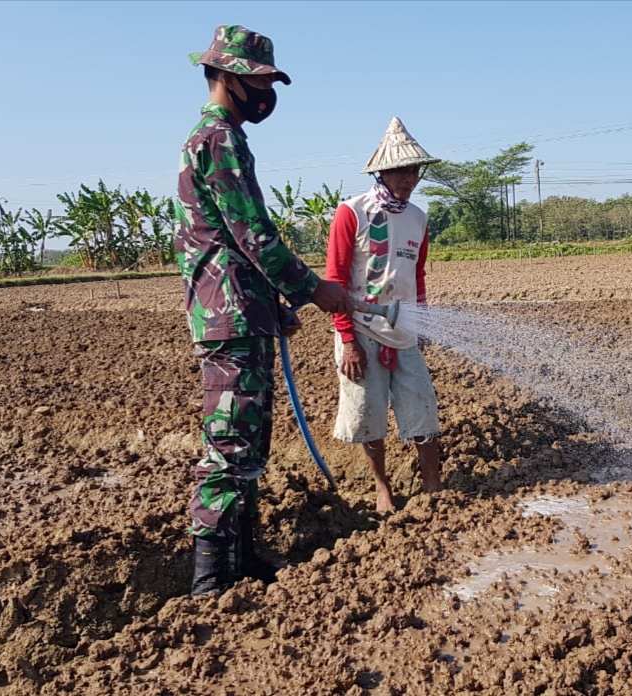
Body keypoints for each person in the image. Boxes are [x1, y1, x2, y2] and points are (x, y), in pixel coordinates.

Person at [175, 24, 353, 597]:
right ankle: (211, 581)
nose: (265, 93)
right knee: (229, 445)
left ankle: (242, 557)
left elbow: (233, 241)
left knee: (248, 440)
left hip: (241, 309)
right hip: (228, 312)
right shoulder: (218, 138)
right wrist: (311, 288)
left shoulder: (223, 137)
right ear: (227, 76)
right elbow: (251, 232)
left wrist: (272, 303)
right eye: (257, 80)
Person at [325, 117, 445, 514]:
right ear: (383, 171)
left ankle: (433, 487)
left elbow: (418, 275)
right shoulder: (352, 212)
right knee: (369, 414)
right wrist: (347, 340)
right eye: (401, 170)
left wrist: (422, 320)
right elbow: (336, 281)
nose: (409, 179)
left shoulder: (418, 218)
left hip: (405, 328)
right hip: (361, 330)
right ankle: (382, 488)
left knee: (423, 408)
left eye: (414, 170)